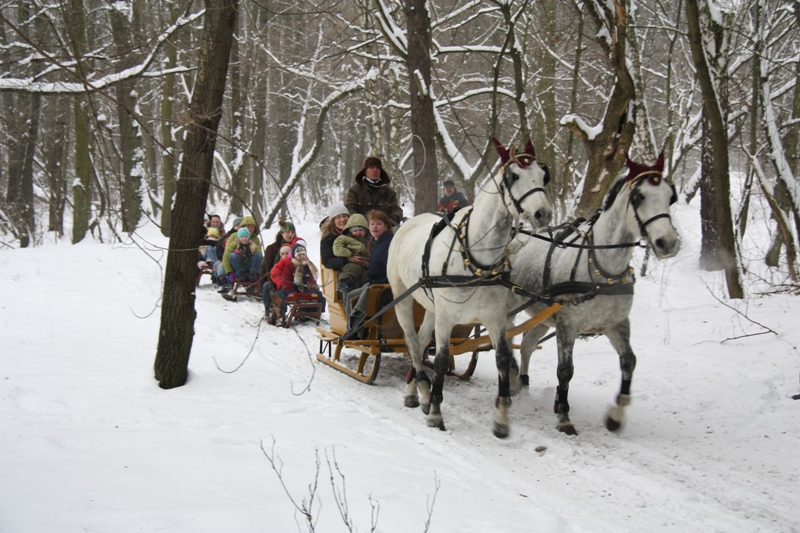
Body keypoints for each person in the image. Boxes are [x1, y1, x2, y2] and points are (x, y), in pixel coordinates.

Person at [342, 210, 394, 339]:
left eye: (379, 224)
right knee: (350, 296)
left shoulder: (387, 243)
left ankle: (356, 331)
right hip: (373, 282)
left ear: (386, 226)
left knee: (354, 298)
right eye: (372, 224)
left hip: (381, 286)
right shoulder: (375, 241)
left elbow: (391, 267)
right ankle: (352, 330)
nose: (374, 227)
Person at [273, 241, 326, 326]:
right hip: (292, 289)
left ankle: (316, 313)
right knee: (280, 296)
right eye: (299, 255)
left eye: (303, 254)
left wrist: (312, 289)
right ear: (295, 256)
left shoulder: (308, 265)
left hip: (306, 289)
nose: (301, 257)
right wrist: (289, 291)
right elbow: (286, 280)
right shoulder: (290, 266)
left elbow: (312, 279)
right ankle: (280, 316)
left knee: (320, 296)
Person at [345, 156, 403, 225]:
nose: (375, 170)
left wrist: (390, 220)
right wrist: (362, 223)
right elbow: (349, 209)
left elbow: (397, 210)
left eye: (378, 168)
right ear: (364, 171)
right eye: (371, 167)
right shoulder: (354, 191)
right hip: (361, 231)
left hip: (384, 231)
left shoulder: (389, 193)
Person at [332, 213, 371, 301]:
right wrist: (350, 254)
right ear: (349, 231)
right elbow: (337, 248)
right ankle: (345, 282)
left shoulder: (369, 241)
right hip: (351, 262)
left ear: (366, 230)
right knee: (353, 268)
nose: (358, 232)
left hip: (365, 265)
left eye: (361, 230)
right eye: (355, 230)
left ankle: (368, 287)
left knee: (367, 274)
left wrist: (368, 262)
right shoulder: (344, 238)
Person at [222, 216, 263, 284]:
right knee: (232, 255)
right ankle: (239, 275)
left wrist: (258, 272)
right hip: (237, 266)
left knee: (258, 255)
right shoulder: (234, 237)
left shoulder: (255, 241)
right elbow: (226, 255)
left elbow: (260, 256)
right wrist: (230, 272)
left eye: (252, 227)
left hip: (250, 266)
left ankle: (252, 275)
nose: (250, 229)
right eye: (248, 226)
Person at [264, 244, 292, 325]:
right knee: (266, 286)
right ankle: (269, 310)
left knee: (281, 294)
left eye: (287, 253)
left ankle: (280, 314)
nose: (285, 256)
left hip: (289, 286)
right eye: (283, 254)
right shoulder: (279, 264)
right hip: (279, 285)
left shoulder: (292, 263)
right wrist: (280, 283)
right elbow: (274, 274)